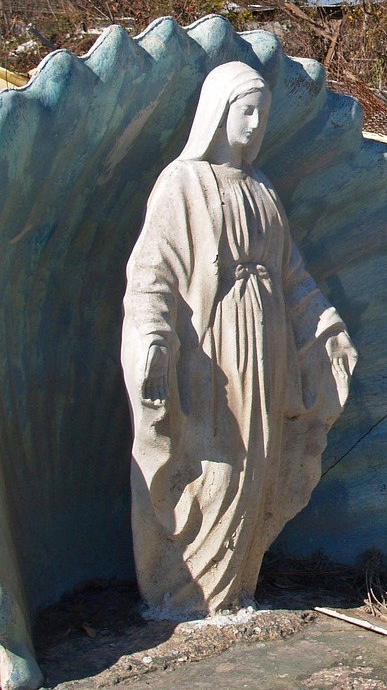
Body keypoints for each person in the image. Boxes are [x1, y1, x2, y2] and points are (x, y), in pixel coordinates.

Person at [121, 61, 356, 617]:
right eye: (244, 111)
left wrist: (325, 325)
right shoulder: (182, 184)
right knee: (214, 462)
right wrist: (152, 335)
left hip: (267, 343)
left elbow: (293, 276)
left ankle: (238, 587)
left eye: (262, 114)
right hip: (212, 352)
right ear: (217, 112)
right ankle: (187, 591)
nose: (254, 125)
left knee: (260, 463)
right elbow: (151, 273)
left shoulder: (263, 188)